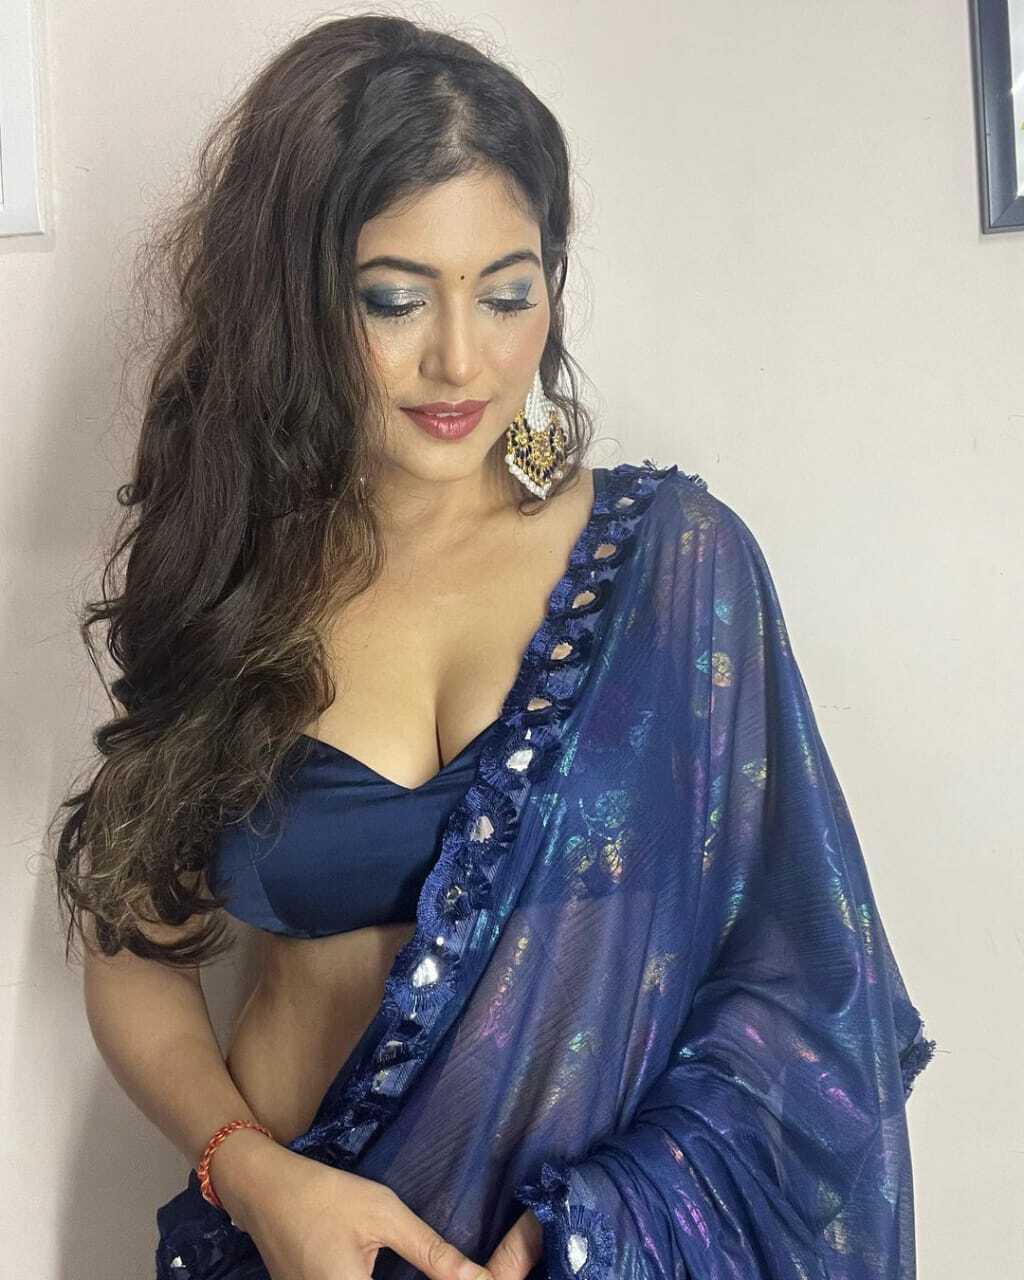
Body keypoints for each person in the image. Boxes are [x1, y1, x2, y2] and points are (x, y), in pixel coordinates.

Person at [51, 14, 936, 1280]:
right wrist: (251, 1172)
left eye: (507, 292)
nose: (459, 358)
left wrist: (601, 1224)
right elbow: (134, 951)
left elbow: (806, 991)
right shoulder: (233, 582)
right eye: (394, 298)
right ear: (294, 300)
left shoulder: (673, 573)